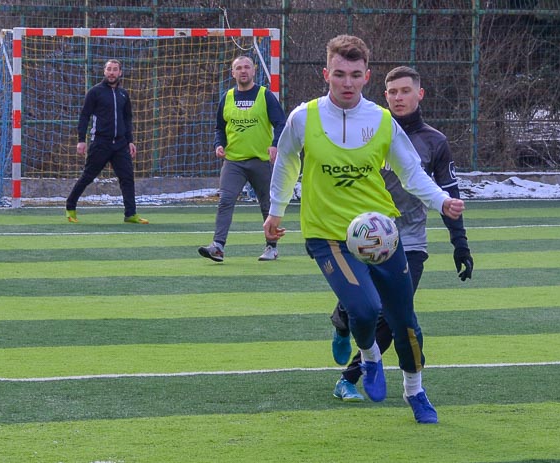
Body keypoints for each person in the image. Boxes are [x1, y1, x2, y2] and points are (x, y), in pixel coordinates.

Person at [263, 35, 465, 425]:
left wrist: (441, 200)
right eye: (339, 74)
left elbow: (410, 172)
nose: (347, 82)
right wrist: (275, 212)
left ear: (367, 76)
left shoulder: (382, 120)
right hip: (327, 235)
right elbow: (287, 162)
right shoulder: (303, 117)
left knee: (406, 322)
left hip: (382, 235)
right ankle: (370, 358)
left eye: (355, 75)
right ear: (326, 74)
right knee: (365, 307)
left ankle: (415, 391)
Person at [331, 65, 474, 404]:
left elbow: (448, 193)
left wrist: (460, 245)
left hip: (410, 240)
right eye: (392, 92)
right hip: (359, 237)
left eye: (405, 91)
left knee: (395, 315)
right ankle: (340, 319)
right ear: (385, 95)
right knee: (359, 309)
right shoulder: (369, 128)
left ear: (419, 94)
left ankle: (349, 378)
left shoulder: (435, 142)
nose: (398, 97)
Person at [198, 55, 286, 262]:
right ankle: (218, 247)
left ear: (254, 71)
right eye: (238, 68)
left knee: (267, 204)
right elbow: (220, 128)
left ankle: (271, 247)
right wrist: (218, 144)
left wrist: (275, 145)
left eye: (247, 67)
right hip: (234, 162)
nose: (243, 71)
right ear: (232, 73)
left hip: (260, 161)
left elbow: (281, 123)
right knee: (225, 200)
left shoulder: (265, 95)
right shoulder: (226, 97)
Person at [65, 59, 148, 224]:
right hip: (100, 143)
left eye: (115, 69)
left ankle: (130, 214)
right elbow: (84, 116)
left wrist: (130, 141)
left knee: (127, 177)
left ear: (120, 73)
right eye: (109, 69)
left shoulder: (123, 94)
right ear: (104, 72)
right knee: (88, 176)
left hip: (120, 144)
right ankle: (70, 206)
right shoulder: (95, 92)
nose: (112, 72)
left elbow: (127, 118)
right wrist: (81, 140)